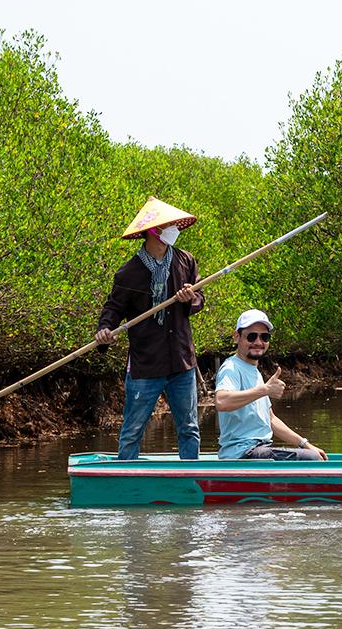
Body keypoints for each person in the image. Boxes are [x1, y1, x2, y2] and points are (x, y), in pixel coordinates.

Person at [94, 197, 204, 460]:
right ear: (154, 230)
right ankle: (126, 482)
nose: (175, 229)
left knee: (189, 428)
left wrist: (191, 298)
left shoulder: (185, 261)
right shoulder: (128, 273)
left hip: (181, 361)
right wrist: (104, 331)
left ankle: (190, 481)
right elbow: (113, 309)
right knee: (132, 429)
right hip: (146, 363)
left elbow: (200, 300)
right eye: (169, 225)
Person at [214, 309, 328, 461]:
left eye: (264, 337)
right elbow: (222, 401)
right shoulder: (231, 368)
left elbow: (271, 419)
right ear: (237, 337)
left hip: (260, 449)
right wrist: (264, 390)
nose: (258, 342)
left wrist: (305, 444)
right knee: (312, 459)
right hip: (243, 453)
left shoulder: (254, 372)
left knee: (313, 454)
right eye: (251, 336)